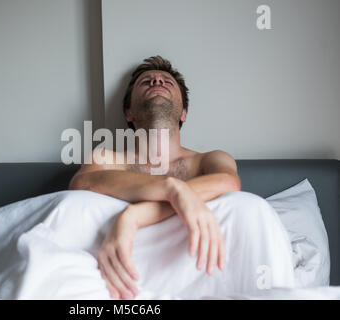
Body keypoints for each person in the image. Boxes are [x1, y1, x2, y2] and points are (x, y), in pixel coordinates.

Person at [68, 56, 241, 300]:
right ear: (129, 113)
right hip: (120, 273)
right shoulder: (106, 159)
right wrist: (173, 190)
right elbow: (80, 186)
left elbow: (228, 183)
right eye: (146, 81)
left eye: (166, 81)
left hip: (193, 266)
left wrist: (133, 216)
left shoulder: (209, 160)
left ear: (183, 113)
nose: (156, 80)